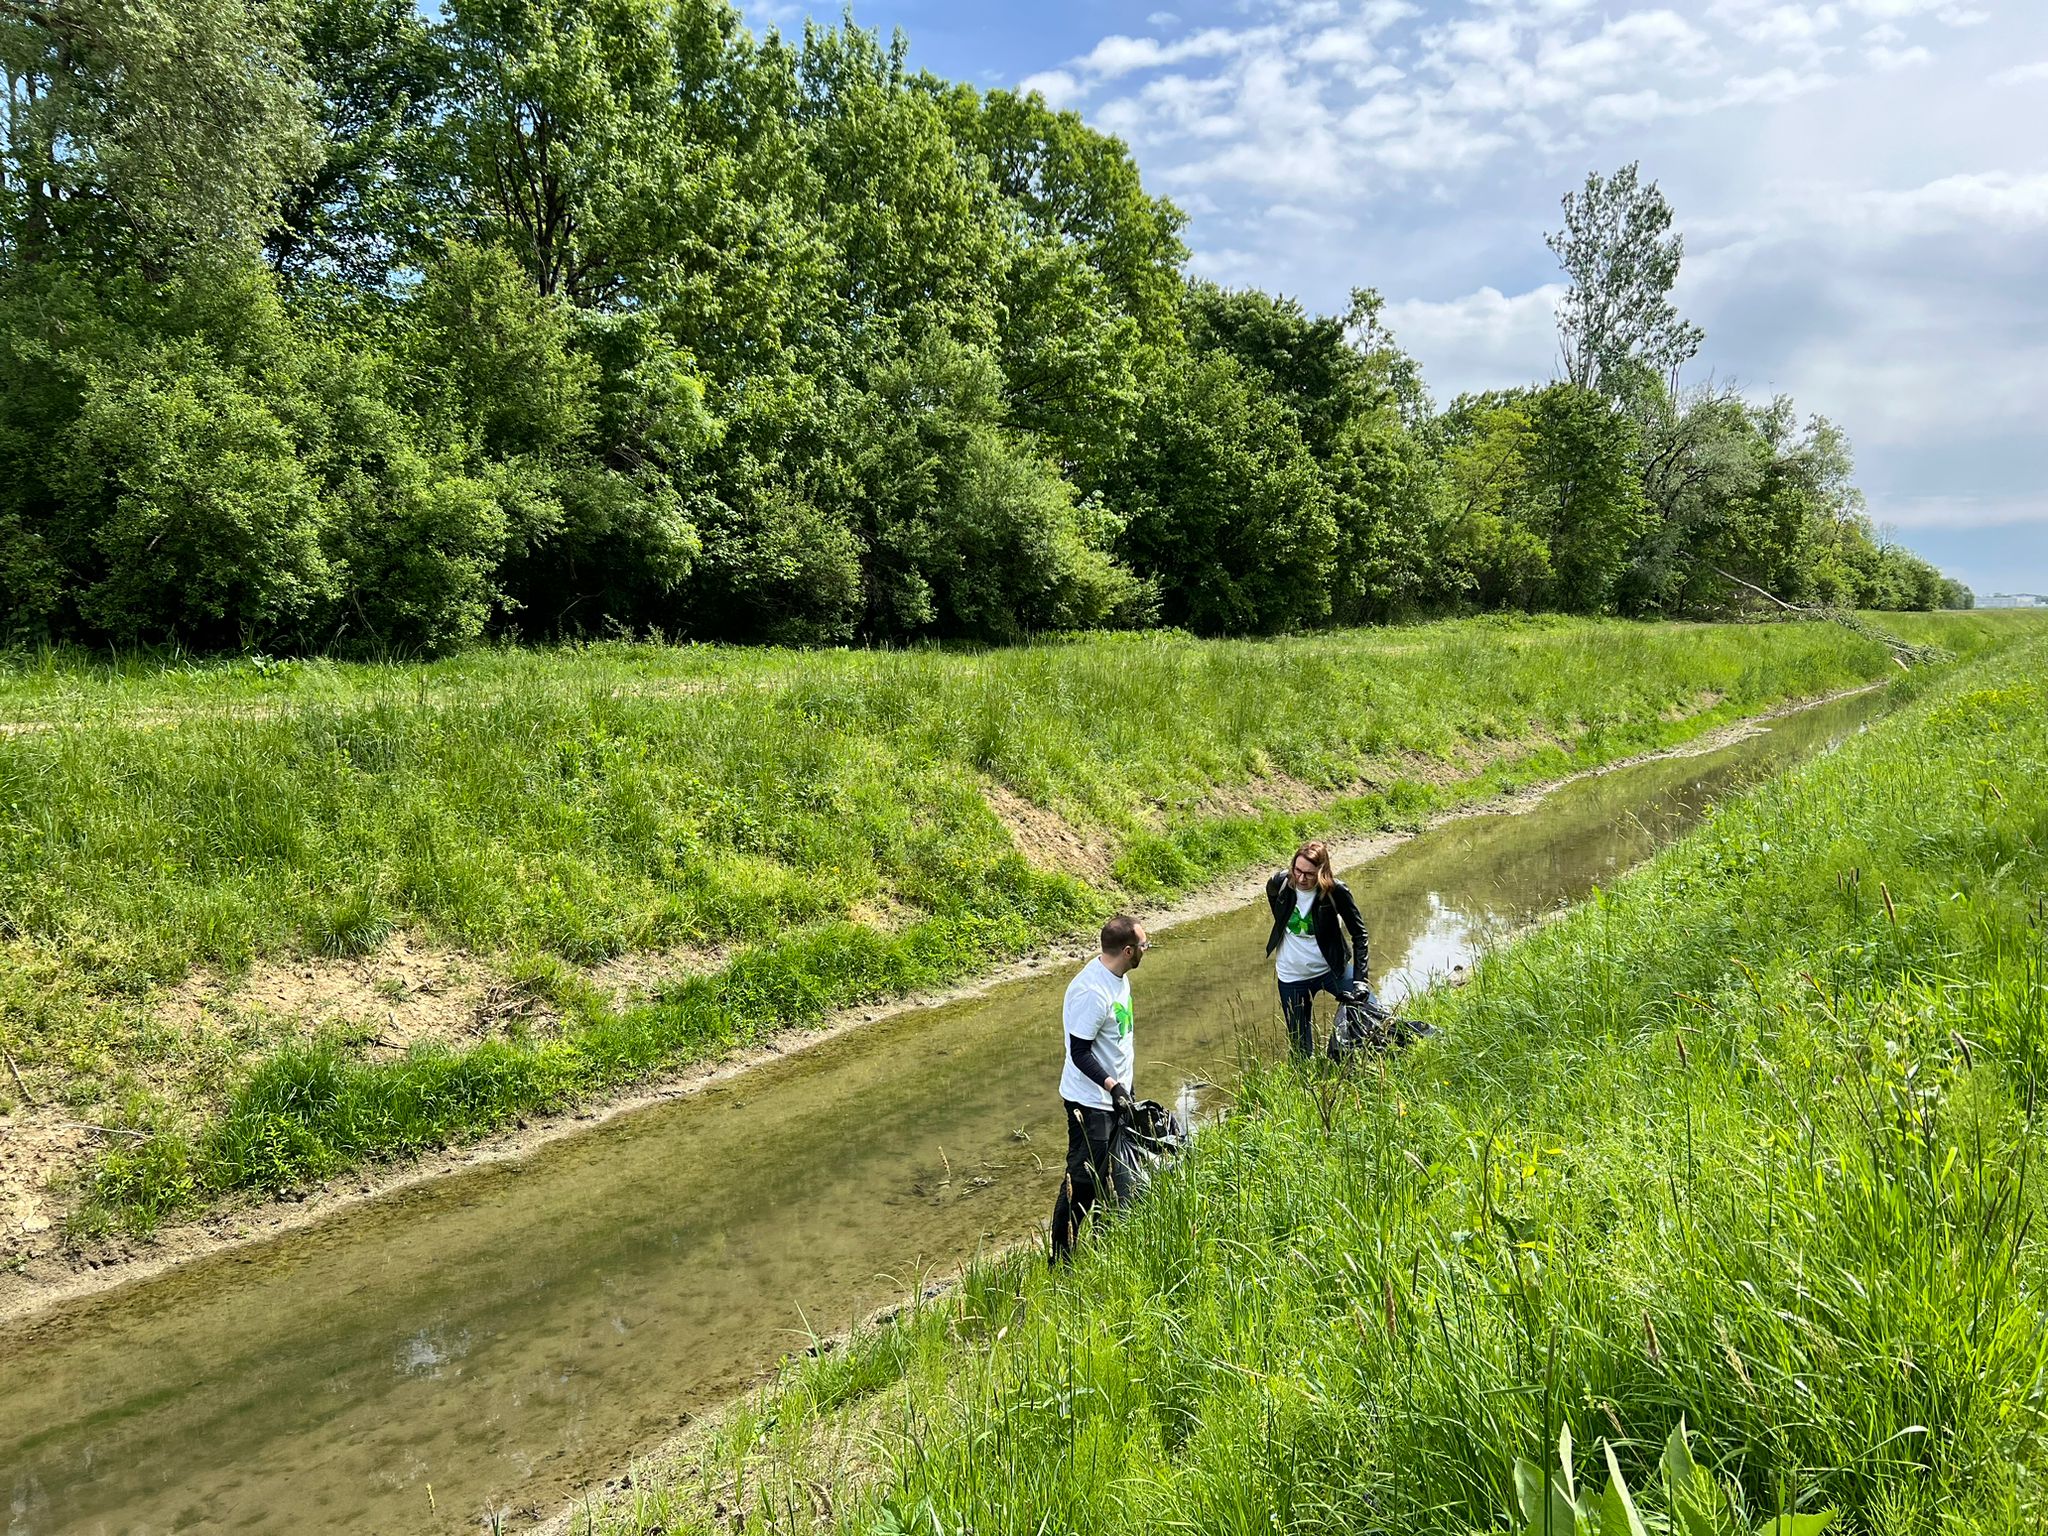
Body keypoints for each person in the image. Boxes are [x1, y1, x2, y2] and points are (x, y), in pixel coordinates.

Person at [1050, 913, 1147, 1262]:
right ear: (1128, 951)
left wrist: (1126, 1088)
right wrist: (1112, 1086)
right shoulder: (1091, 992)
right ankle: (1061, 1261)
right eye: (1144, 945)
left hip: (1116, 1097)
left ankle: (1104, 1246)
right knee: (1082, 1182)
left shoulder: (1119, 977)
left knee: (1114, 1177)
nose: (1147, 949)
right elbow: (1079, 1053)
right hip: (1089, 1103)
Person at [1264, 839, 1375, 1055]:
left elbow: (1359, 934)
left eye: (1309, 874)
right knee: (1301, 1049)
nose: (1301, 878)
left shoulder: (1336, 891)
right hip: (1292, 977)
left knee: (1370, 1008)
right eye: (1297, 871)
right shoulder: (1281, 883)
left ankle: (1352, 1059)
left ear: (1322, 872)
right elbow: (1275, 902)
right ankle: (1307, 1076)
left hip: (1331, 969)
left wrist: (1361, 981)